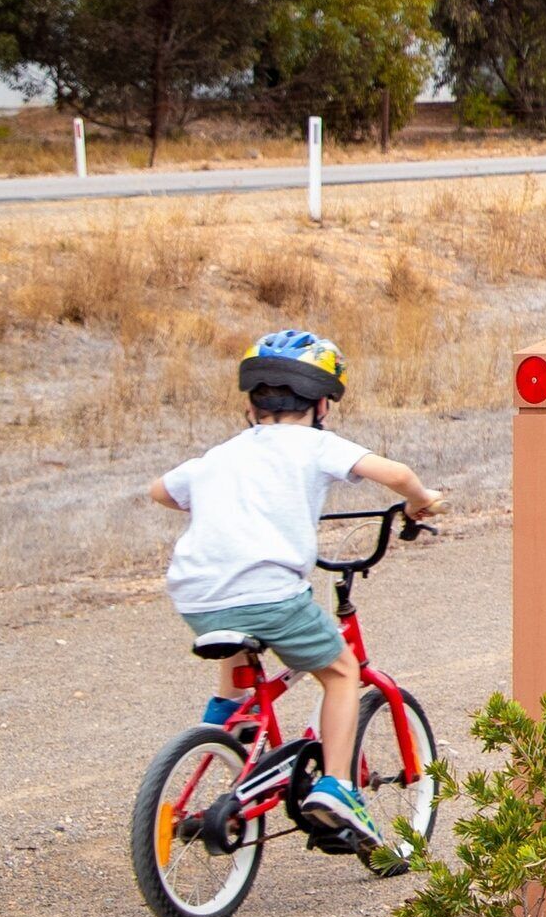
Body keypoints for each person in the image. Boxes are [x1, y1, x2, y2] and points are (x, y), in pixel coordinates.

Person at [147, 330, 445, 852]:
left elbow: (161, 491)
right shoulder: (316, 443)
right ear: (323, 402)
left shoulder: (220, 455)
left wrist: (218, 506)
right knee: (341, 671)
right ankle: (337, 788)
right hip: (270, 593)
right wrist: (422, 502)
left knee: (238, 633)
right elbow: (395, 473)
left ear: (250, 403)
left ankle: (225, 723)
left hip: (195, 593)